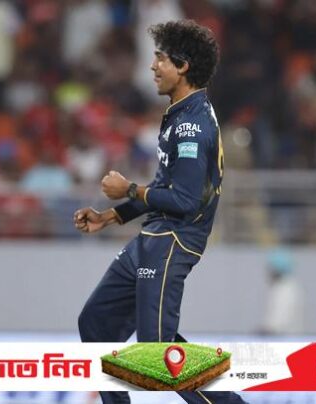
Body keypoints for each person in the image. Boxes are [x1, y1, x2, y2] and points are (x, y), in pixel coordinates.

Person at [74, 21, 247, 403]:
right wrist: (111, 216)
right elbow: (165, 186)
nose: (152, 66)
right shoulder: (179, 114)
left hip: (174, 241)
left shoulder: (192, 126)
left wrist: (128, 189)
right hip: (153, 237)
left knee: (157, 351)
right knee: (97, 322)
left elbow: (184, 200)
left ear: (183, 66)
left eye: (160, 59)